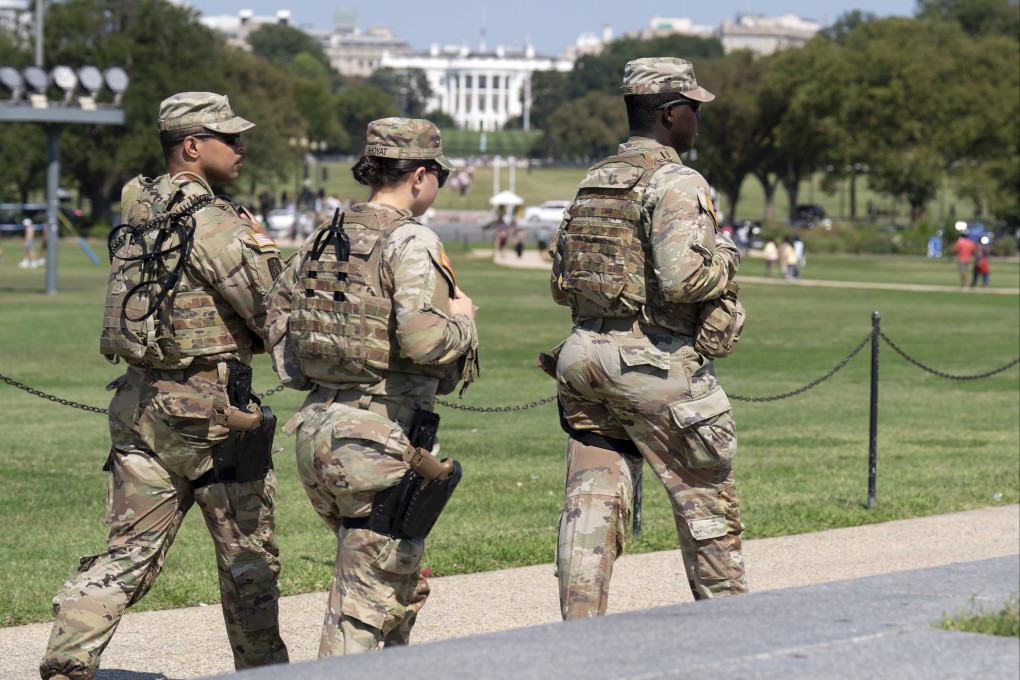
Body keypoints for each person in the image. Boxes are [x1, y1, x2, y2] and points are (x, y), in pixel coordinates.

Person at [40, 92, 289, 680]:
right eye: (228, 138)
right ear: (193, 146)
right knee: (247, 561)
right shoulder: (214, 221)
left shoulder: (140, 206)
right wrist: (275, 258)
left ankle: (68, 654)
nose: (241, 146)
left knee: (128, 552)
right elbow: (271, 312)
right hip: (213, 417)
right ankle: (267, 672)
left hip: (140, 402)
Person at [264, 117, 479, 656]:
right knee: (364, 602)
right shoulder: (411, 239)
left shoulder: (323, 235)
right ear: (420, 176)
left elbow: (282, 341)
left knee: (397, 579)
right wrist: (465, 319)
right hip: (378, 438)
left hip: (317, 431)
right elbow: (425, 341)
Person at [546, 57, 747, 620]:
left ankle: (579, 631)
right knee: (705, 506)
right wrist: (728, 258)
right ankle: (731, 630)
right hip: (653, 363)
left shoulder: (596, 180)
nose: (697, 121)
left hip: (582, 357)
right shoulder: (677, 180)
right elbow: (683, 278)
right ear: (669, 114)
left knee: (590, 508)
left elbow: (562, 283)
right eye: (693, 109)